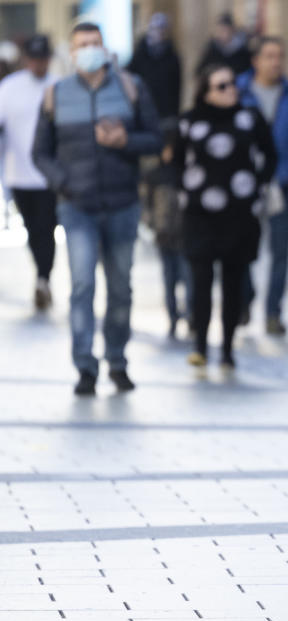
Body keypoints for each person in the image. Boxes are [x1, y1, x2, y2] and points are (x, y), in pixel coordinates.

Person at [32, 22, 162, 396]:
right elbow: (40, 153)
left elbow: (155, 139)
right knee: (82, 285)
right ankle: (85, 365)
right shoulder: (57, 94)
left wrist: (126, 141)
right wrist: (63, 182)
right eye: (81, 44)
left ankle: (117, 360)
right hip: (77, 207)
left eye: (94, 43)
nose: (88, 49)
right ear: (71, 53)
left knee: (121, 288)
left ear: (105, 49)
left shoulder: (130, 87)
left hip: (122, 204)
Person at [176, 64, 277, 369]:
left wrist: (258, 184)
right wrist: (184, 188)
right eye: (222, 86)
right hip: (199, 216)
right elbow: (175, 161)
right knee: (201, 282)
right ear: (205, 92)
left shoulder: (249, 118)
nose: (230, 89)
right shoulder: (189, 121)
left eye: (232, 83)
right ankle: (200, 347)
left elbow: (270, 153)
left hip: (240, 215)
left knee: (234, 284)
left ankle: (228, 350)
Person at [237, 36, 288, 336]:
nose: (275, 62)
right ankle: (244, 299)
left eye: (279, 56)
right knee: (242, 247)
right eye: (269, 56)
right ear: (256, 60)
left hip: (282, 182)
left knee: (280, 251)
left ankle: (273, 313)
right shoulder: (239, 90)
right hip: (246, 183)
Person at [0, 34, 58, 311]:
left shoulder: (58, 86)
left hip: (49, 174)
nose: (38, 65)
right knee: (33, 230)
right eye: (34, 59)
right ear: (26, 60)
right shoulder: (9, 88)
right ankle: (42, 274)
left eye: (43, 59)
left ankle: (43, 278)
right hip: (18, 173)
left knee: (47, 228)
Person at [143, 123, 193, 338]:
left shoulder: (187, 173)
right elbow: (146, 205)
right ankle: (173, 317)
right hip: (164, 234)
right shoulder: (154, 176)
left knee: (186, 277)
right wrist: (153, 225)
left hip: (184, 234)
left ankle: (190, 316)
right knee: (170, 277)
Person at [127, 13, 182, 124]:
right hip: (142, 108)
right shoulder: (140, 53)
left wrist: (174, 112)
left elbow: (177, 86)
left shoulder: (172, 55)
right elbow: (130, 76)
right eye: (155, 28)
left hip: (166, 111)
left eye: (162, 29)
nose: (158, 32)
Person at [196, 13, 251, 77]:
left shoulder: (242, 47)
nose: (223, 34)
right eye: (221, 30)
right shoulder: (212, 47)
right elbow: (201, 69)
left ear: (232, 30)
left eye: (225, 30)